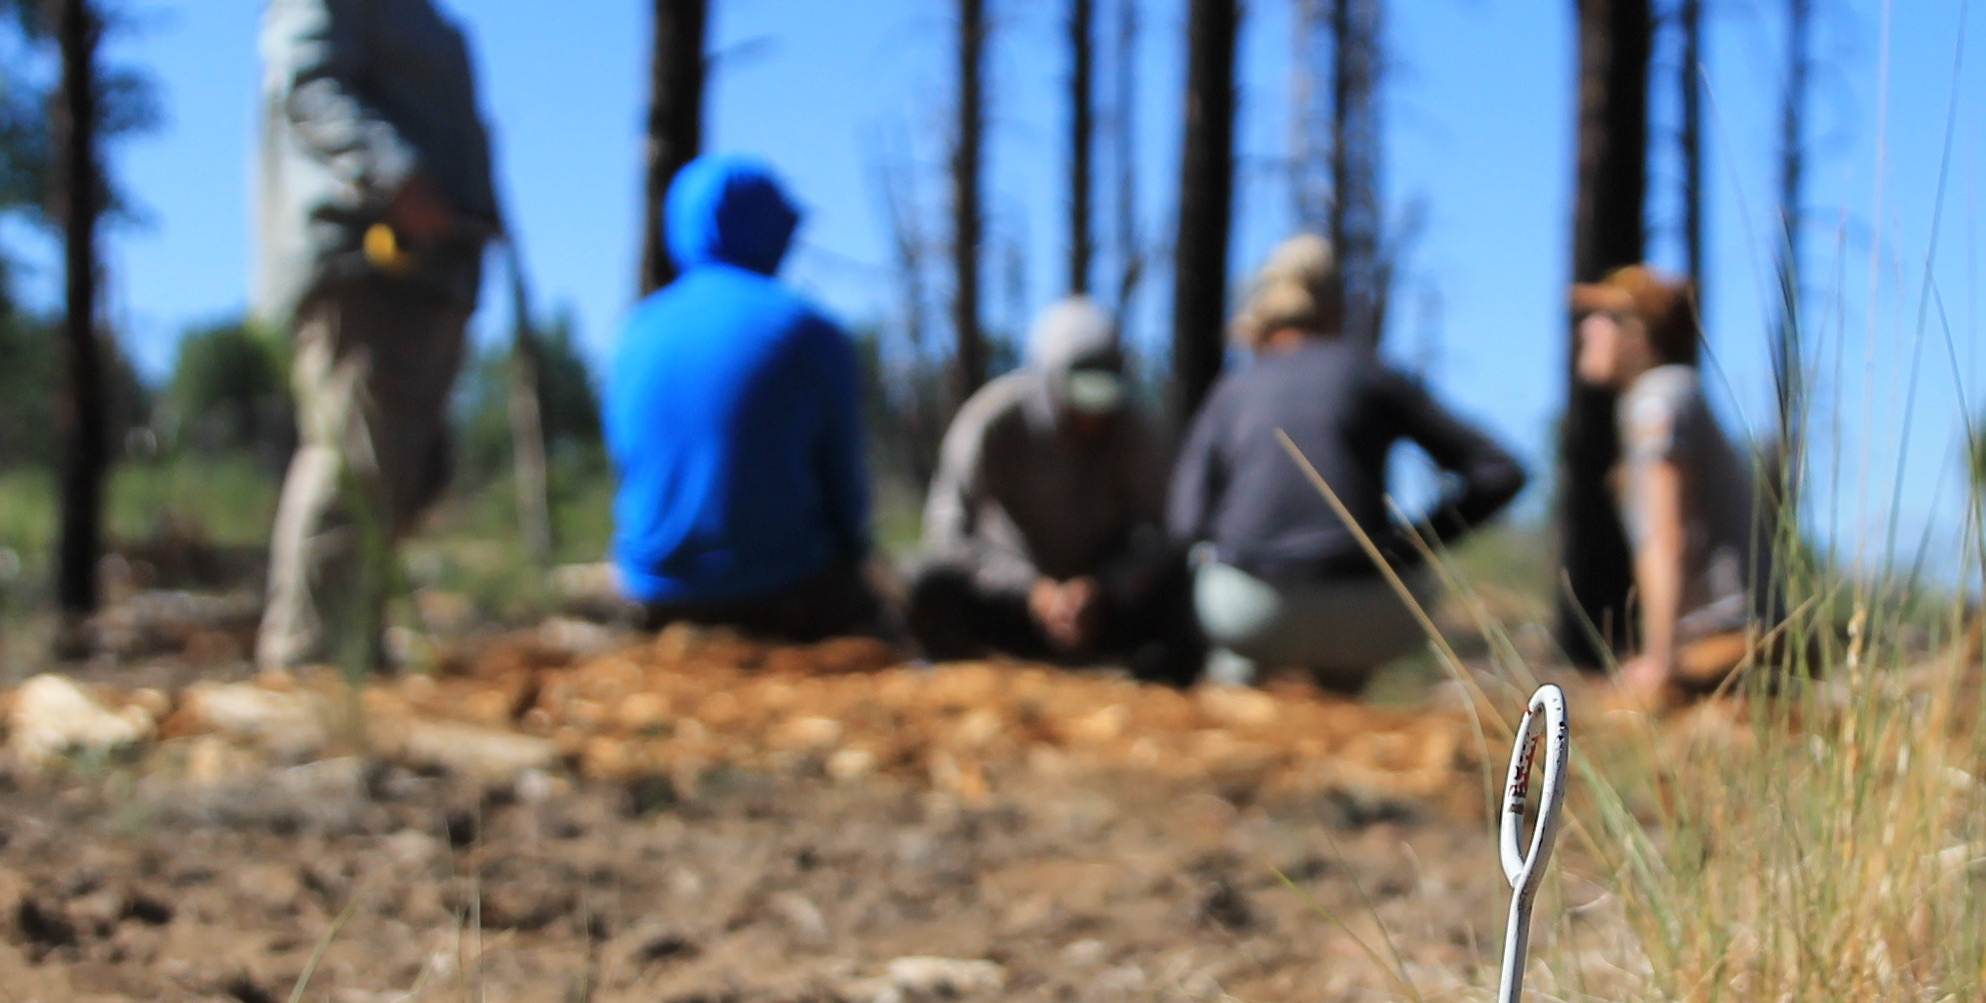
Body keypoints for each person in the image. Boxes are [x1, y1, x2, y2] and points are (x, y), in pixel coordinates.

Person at [253, 0, 505, 675]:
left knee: (404, 466)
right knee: (355, 457)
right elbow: (307, 82)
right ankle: (311, 661)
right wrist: (395, 177)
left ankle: (353, 646)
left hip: (427, 270)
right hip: (363, 259)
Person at [1169, 234, 1526, 693]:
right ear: (1337, 310)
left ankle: (1233, 680)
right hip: (1371, 616)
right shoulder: (1367, 372)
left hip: (1249, 614)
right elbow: (1499, 471)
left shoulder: (1233, 388)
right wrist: (1409, 547)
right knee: (1362, 624)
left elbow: (1185, 524)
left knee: (1213, 571)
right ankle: (1340, 689)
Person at [602, 153, 887, 641]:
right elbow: (844, 490)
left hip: (655, 595)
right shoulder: (805, 329)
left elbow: (628, 466)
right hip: (781, 594)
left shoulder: (633, 332)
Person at [903, 296, 1190, 674]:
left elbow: (1170, 531)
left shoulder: (1133, 427)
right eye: (1079, 396)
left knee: (1187, 578)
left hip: (1102, 609)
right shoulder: (994, 419)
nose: (1092, 415)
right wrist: (1028, 590)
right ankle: (965, 673)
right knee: (929, 579)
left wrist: (1103, 586)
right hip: (1011, 603)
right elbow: (946, 529)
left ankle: (1153, 678)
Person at [1571, 264, 1763, 704]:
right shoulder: (1665, 395)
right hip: (1720, 641)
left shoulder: (1659, 399)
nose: (1587, 328)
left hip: (1730, 643)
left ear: (1638, 335)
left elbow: (1666, 539)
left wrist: (1660, 662)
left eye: (1604, 319)